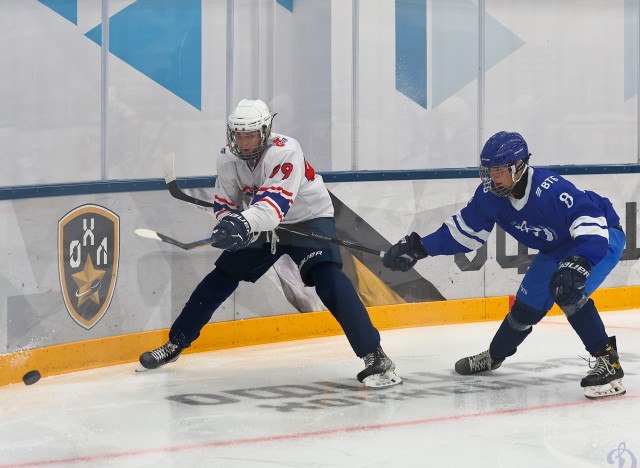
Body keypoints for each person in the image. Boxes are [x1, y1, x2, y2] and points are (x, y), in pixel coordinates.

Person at [139, 99, 401, 388]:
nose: (244, 142)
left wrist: (242, 223)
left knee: (329, 279)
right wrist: (228, 224)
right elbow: (226, 203)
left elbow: (274, 207)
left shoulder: (287, 150)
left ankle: (375, 356)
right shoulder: (227, 158)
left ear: (265, 132)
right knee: (220, 279)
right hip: (261, 222)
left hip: (307, 219)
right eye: (238, 135)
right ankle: (175, 343)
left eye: (250, 135)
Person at [382, 131, 626, 399]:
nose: (493, 178)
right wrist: (420, 247)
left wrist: (579, 261)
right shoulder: (490, 196)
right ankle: (495, 355)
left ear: (519, 167)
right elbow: (464, 232)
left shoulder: (551, 189)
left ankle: (608, 363)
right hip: (556, 247)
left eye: (500, 170)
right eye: (489, 170)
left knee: (568, 289)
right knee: (526, 308)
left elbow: (590, 221)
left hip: (598, 238)